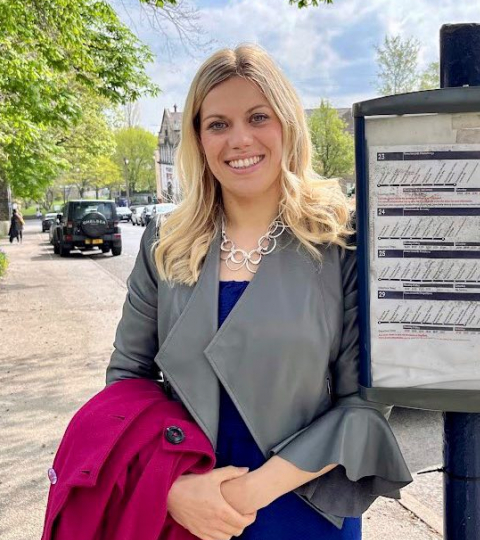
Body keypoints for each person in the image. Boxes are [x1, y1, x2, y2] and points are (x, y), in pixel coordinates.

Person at [105, 44, 411, 540]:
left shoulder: (341, 240)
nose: (239, 139)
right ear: (198, 140)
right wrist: (172, 489)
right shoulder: (165, 244)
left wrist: (240, 498)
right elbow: (126, 381)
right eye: (218, 124)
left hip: (303, 511)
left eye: (257, 116)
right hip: (183, 515)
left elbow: (365, 402)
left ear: (287, 124)